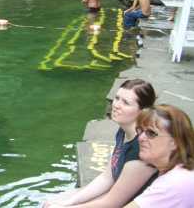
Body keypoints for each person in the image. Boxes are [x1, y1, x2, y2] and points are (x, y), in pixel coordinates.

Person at [44, 80, 157, 208]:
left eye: (126, 102)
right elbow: (107, 177)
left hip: (129, 203)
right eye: (117, 98)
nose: (116, 105)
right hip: (115, 195)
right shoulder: (123, 131)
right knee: (50, 202)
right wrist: (68, 202)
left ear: (142, 111)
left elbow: (113, 202)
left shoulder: (141, 148)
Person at [124, 105, 194, 208]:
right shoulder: (183, 171)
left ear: (174, 142)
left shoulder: (173, 184)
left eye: (151, 133)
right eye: (140, 131)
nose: (140, 138)